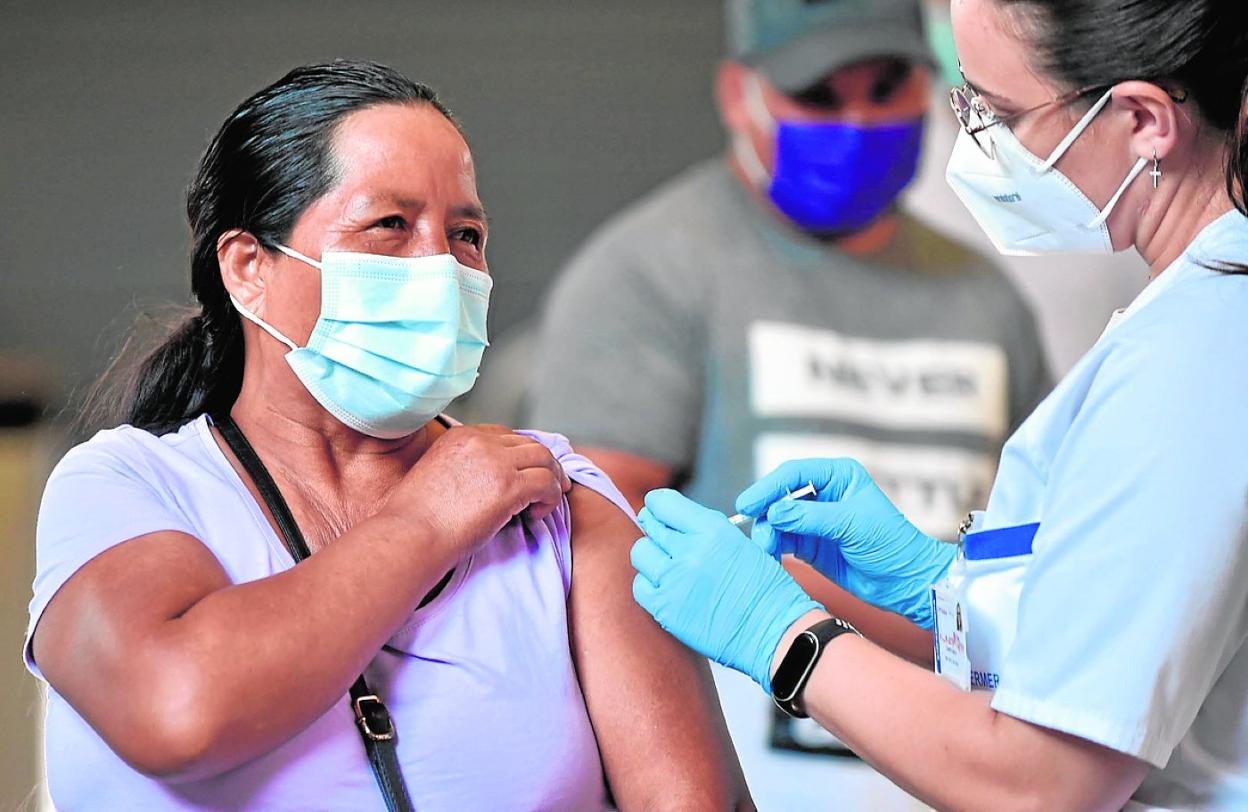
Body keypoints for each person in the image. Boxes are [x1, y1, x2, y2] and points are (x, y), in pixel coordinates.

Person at [23, 60, 750, 810]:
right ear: (248, 269)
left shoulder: (551, 501)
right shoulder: (126, 486)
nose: (441, 266)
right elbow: (176, 713)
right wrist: (427, 519)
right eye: (389, 226)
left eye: (466, 235)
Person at [629, 0, 1248, 808]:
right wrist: (946, 594)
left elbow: (1041, 784)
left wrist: (783, 638)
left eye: (998, 113)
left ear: (1141, 119)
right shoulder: (1193, 320)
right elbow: (1141, 621)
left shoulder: (1198, 354)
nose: (977, 146)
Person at [528, 0, 1050, 782]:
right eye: (819, 95)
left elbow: (1038, 556)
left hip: (955, 758)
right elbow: (593, 546)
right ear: (742, 96)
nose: (858, 119)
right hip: (751, 758)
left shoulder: (987, 299)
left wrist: (932, 602)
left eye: (887, 86)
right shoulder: (651, 271)